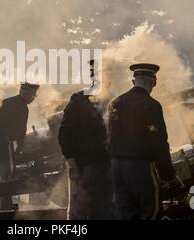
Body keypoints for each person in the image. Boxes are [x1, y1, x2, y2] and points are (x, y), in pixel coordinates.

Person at [108, 63, 175, 220]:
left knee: (124, 213)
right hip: (139, 168)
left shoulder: (115, 103)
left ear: (134, 81)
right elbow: (157, 139)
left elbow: (110, 136)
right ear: (153, 82)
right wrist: (167, 172)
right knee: (150, 211)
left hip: (116, 167)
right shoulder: (151, 105)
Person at [58, 60, 113, 220]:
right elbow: (65, 133)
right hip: (82, 164)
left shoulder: (111, 101)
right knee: (79, 212)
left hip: (105, 165)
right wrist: (72, 162)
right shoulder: (78, 100)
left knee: (104, 210)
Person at [0, 82, 39, 210]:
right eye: (33, 95)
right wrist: (20, 150)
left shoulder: (7, 101)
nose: (33, 98)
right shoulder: (22, 107)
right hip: (3, 141)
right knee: (8, 173)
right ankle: (4, 207)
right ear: (27, 93)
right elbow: (21, 131)